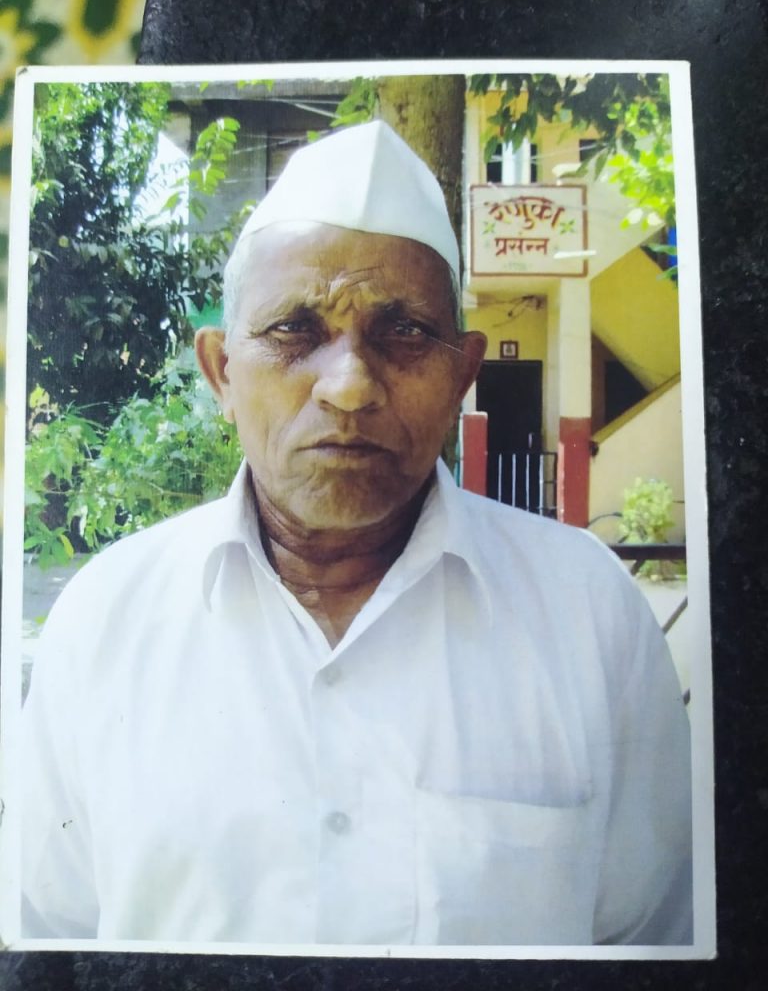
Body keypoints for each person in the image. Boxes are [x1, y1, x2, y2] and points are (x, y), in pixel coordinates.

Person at [21, 121, 692, 946]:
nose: (348, 385)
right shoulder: (105, 621)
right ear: (222, 372)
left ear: (462, 374)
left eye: (403, 332)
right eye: (293, 331)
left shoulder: (589, 615)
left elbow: (656, 944)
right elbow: (46, 941)